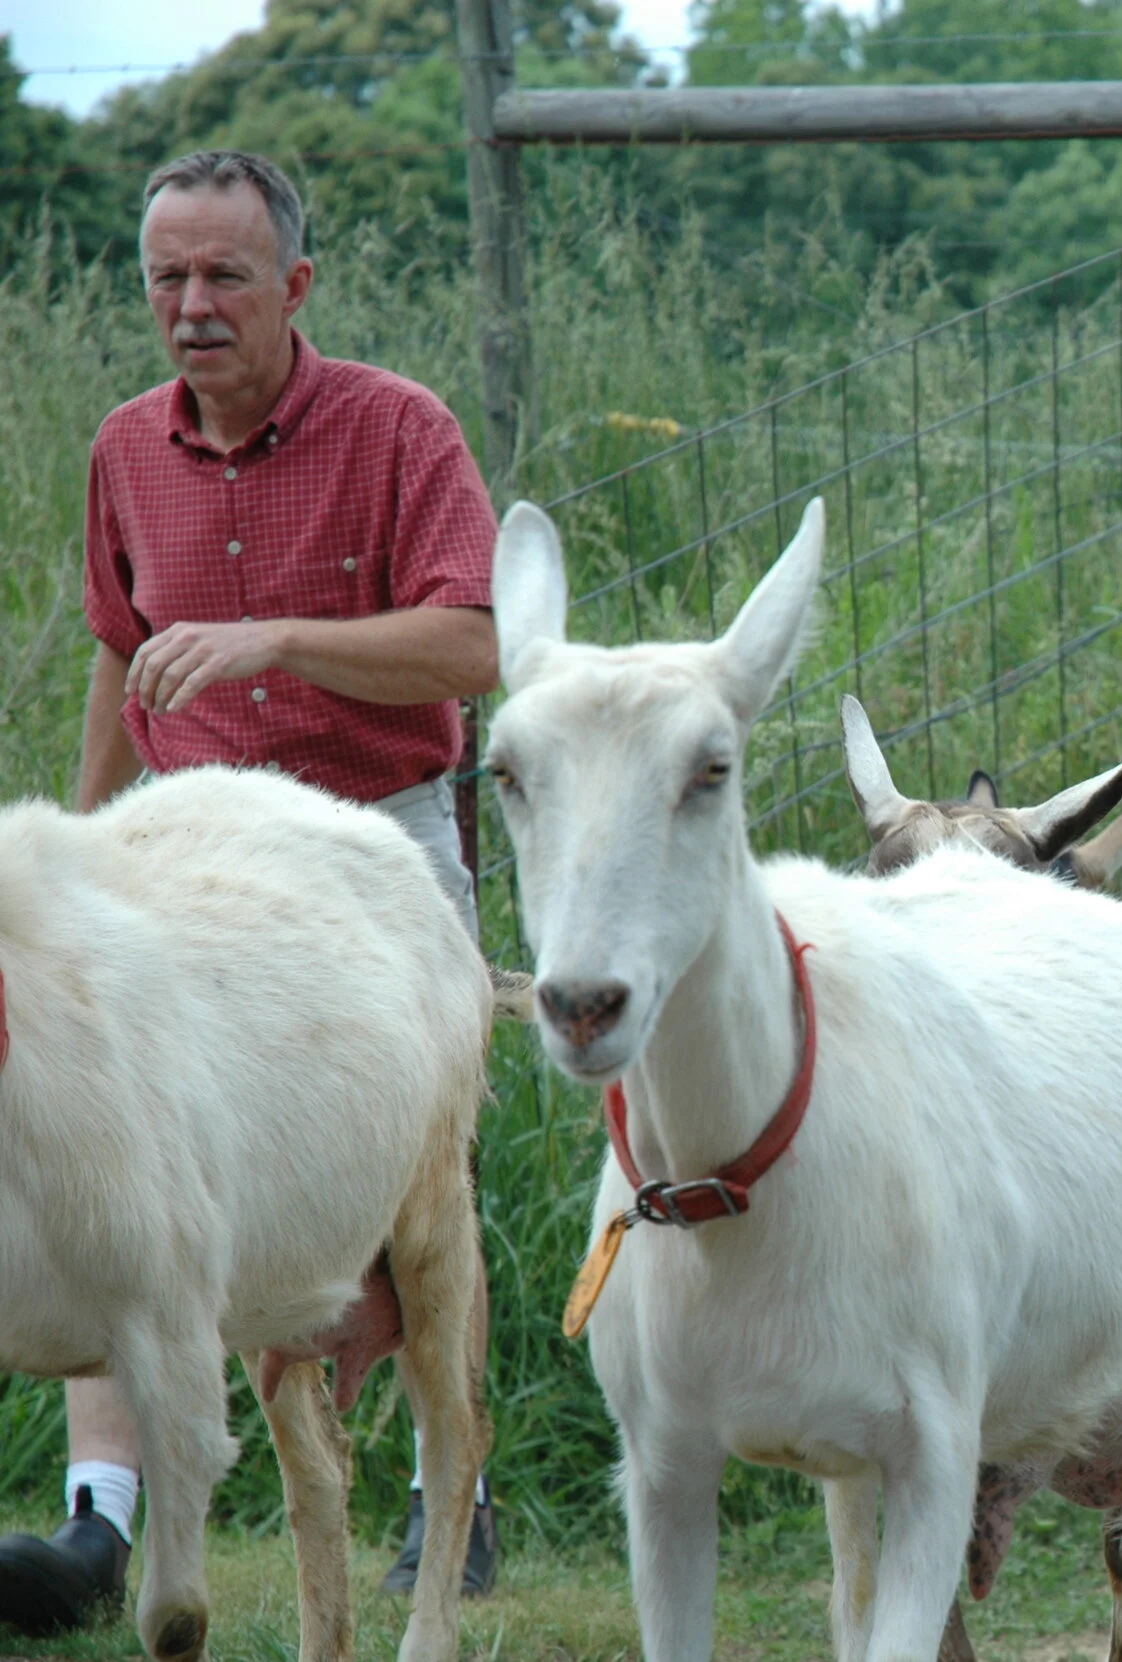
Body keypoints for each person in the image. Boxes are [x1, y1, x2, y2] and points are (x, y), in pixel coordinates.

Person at [0, 150, 504, 1634]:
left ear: (295, 286)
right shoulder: (121, 447)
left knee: (407, 1195)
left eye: (225, 276)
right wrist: (71, 860)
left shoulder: (402, 430)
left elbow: (474, 649)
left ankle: (439, 1483)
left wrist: (278, 637)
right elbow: (116, 644)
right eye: (166, 277)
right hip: (184, 866)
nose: (192, 306)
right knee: (97, 1141)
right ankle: (102, 1526)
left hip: (369, 844)